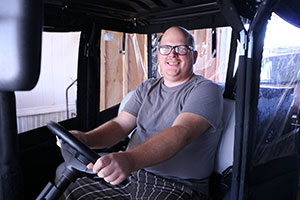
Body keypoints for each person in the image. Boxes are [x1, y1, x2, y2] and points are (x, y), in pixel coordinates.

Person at [58, 26, 223, 200]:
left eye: (181, 49)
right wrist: (86, 139)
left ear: (194, 56)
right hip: (133, 177)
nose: (172, 55)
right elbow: (120, 125)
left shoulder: (205, 90)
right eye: (165, 48)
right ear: (158, 55)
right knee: (68, 187)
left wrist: (129, 160)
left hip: (176, 186)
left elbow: (182, 133)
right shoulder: (147, 88)